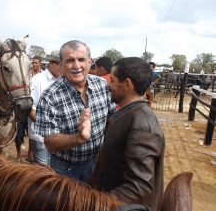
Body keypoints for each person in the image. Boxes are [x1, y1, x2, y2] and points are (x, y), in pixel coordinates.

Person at [88, 57, 165, 211]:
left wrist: (97, 203)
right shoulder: (129, 113)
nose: (109, 85)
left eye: (113, 80)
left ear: (127, 84)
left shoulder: (142, 124)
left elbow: (140, 186)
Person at [34, 40, 115, 182]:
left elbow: (112, 117)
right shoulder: (49, 97)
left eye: (81, 59)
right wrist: (79, 137)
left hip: (97, 162)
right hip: (65, 168)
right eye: (70, 60)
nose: (77, 66)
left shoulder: (102, 85)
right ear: (61, 65)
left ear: (90, 62)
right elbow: (49, 142)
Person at [28, 51, 62, 165]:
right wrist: (46, 129)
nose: (63, 68)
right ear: (51, 63)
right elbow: (30, 108)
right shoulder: (37, 80)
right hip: (40, 137)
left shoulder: (62, 81)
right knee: (43, 170)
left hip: (58, 138)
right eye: (60, 64)